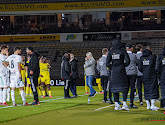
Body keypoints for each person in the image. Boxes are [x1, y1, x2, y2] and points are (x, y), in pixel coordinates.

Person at [106, 39, 130, 110]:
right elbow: (128, 61)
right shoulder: (122, 51)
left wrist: (112, 68)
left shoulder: (110, 52)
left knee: (114, 87)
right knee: (124, 87)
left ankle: (116, 104)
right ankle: (124, 104)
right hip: (121, 71)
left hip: (114, 72)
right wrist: (122, 66)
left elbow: (107, 63)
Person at [138, 45, 159, 111]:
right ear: (150, 50)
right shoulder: (153, 57)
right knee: (153, 89)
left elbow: (140, 68)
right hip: (152, 75)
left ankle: (148, 105)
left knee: (146, 89)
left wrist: (144, 71)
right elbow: (156, 66)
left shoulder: (141, 58)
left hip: (145, 75)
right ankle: (152, 105)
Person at [125, 44, 138, 109]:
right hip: (132, 73)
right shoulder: (133, 55)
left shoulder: (124, 55)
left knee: (125, 88)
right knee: (132, 89)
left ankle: (124, 103)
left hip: (125, 73)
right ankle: (131, 103)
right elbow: (137, 62)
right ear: (130, 48)